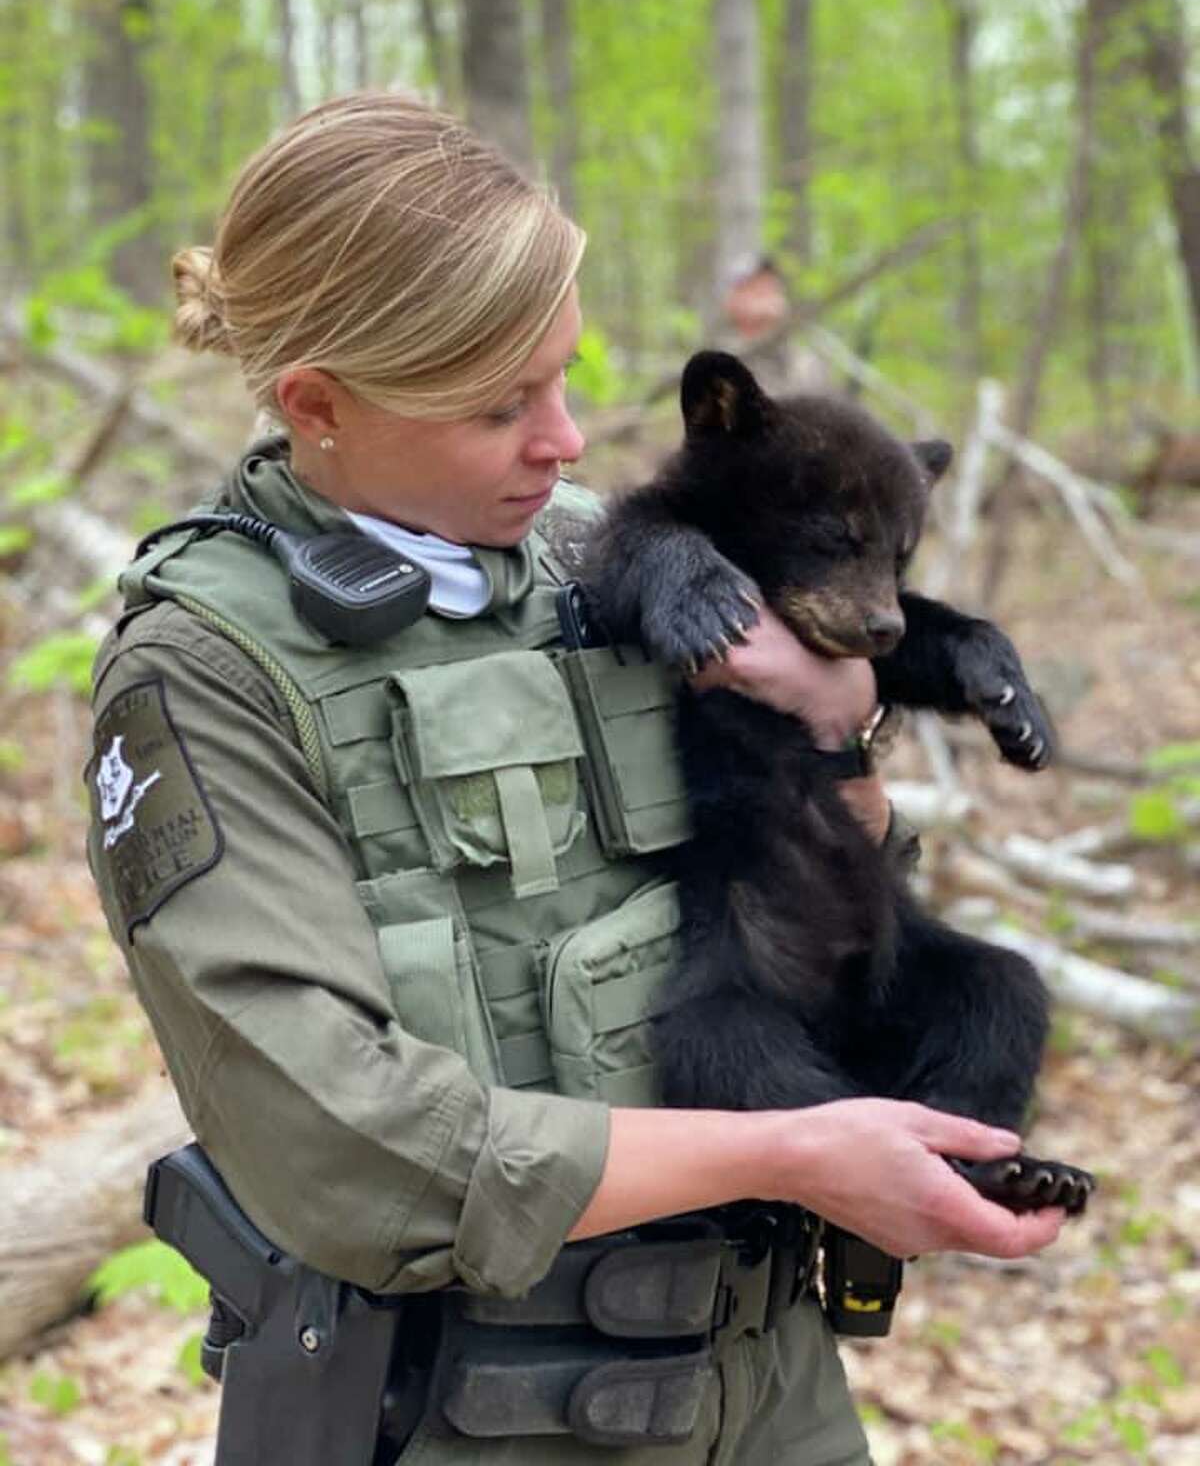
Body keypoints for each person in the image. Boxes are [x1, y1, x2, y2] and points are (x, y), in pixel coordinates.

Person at [85, 92, 1065, 1466]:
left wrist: (844, 735)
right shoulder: (207, 669)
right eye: (501, 406)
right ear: (318, 402)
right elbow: (336, 1147)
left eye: (562, 378)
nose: (566, 441)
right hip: (462, 1416)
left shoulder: (606, 557)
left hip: (765, 1388)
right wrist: (790, 1155)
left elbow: (822, 872)